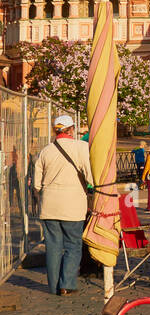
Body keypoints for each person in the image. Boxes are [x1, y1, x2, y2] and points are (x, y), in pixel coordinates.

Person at [33, 114, 94, 297]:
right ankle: (66, 284)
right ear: (71, 129)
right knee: (73, 245)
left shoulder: (46, 150)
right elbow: (90, 175)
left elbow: (37, 183)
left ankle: (53, 287)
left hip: (50, 205)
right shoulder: (81, 147)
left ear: (56, 130)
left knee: (52, 247)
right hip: (73, 205)